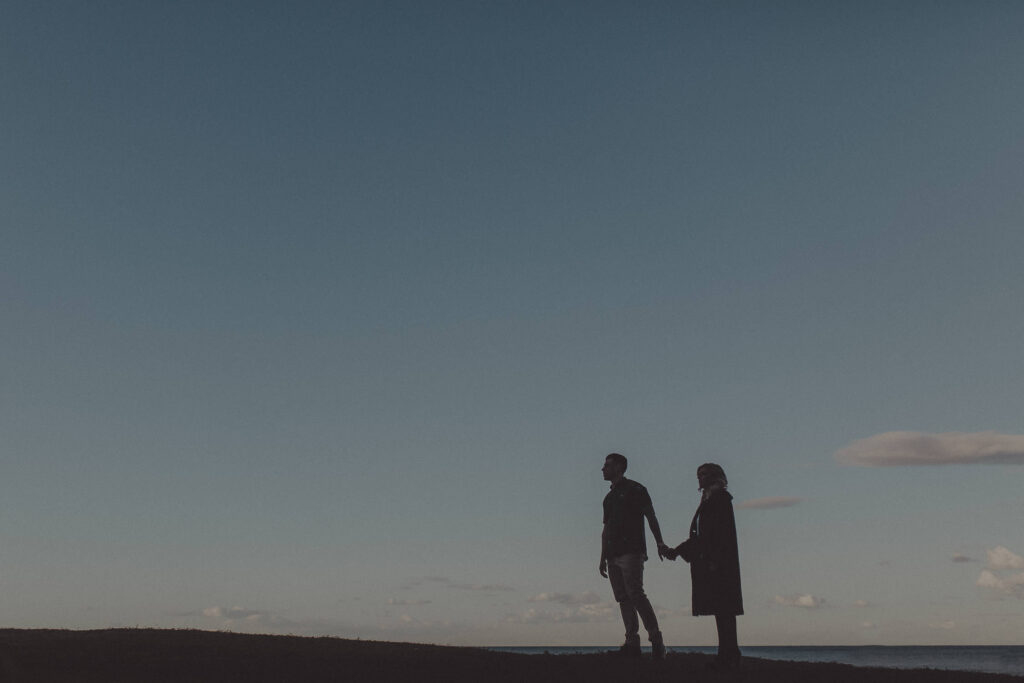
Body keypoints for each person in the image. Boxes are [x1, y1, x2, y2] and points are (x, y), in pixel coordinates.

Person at [665, 463, 743, 670]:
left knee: (724, 609)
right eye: (698, 474)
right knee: (721, 609)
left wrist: (713, 560)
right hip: (710, 561)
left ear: (715, 476)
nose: (700, 478)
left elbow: (716, 534)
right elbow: (700, 535)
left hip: (717, 563)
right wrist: (678, 551)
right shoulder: (709, 500)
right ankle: (728, 653)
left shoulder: (720, 500)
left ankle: (729, 654)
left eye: (704, 474)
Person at [599, 452, 671, 659]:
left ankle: (656, 641)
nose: (603, 469)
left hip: (632, 551)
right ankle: (632, 643)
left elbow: (651, 516)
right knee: (623, 598)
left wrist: (659, 542)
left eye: (607, 465)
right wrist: (602, 556)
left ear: (619, 467)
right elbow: (607, 528)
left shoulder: (636, 489)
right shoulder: (609, 498)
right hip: (613, 554)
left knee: (636, 594)